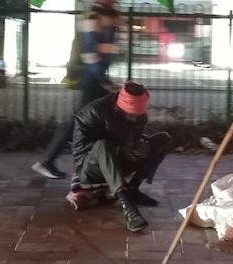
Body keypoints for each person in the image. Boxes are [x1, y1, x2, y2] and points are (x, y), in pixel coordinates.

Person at [32, 0, 122, 180]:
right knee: (79, 121)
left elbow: (106, 46)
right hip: (92, 79)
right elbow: (89, 53)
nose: (116, 1)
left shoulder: (105, 16)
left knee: (94, 120)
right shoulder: (93, 17)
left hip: (97, 78)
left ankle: (95, 163)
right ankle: (51, 161)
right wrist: (103, 80)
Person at [70, 82, 172, 232]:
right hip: (90, 167)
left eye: (138, 115)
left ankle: (133, 188)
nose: (134, 119)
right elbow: (80, 151)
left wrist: (139, 145)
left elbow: (134, 137)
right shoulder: (92, 112)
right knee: (104, 145)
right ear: (119, 107)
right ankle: (128, 207)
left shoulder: (139, 115)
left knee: (163, 140)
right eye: (130, 115)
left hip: (120, 160)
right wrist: (120, 150)